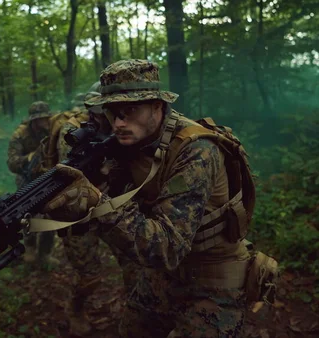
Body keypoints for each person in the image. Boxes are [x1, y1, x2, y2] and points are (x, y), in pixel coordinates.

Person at [40, 59, 257, 337]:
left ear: (158, 106)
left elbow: (167, 248)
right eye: (112, 112)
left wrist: (97, 201)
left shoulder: (196, 151)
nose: (118, 123)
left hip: (213, 275)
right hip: (163, 274)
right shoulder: (133, 139)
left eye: (130, 110)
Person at [33, 83, 140, 336]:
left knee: (135, 264)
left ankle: (138, 314)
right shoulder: (72, 131)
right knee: (90, 276)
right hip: (78, 214)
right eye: (102, 110)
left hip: (112, 207)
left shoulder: (125, 127)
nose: (110, 116)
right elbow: (72, 177)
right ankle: (76, 309)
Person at [6, 101, 59, 268]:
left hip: (48, 177)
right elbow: (12, 163)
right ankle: (29, 248)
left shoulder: (52, 130)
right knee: (27, 214)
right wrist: (28, 159)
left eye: (46, 118)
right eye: (41, 119)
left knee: (51, 214)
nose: (44, 122)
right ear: (33, 121)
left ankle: (45, 253)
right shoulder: (20, 135)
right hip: (27, 181)